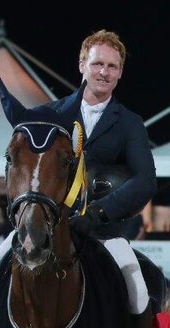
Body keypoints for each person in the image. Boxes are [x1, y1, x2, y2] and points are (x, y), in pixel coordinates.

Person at [68, 30, 157, 241]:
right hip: (48, 229)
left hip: (104, 233)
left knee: (131, 266)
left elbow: (145, 180)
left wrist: (97, 213)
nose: (104, 72)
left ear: (120, 72)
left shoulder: (130, 123)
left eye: (112, 66)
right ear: (82, 65)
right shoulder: (51, 114)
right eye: (97, 64)